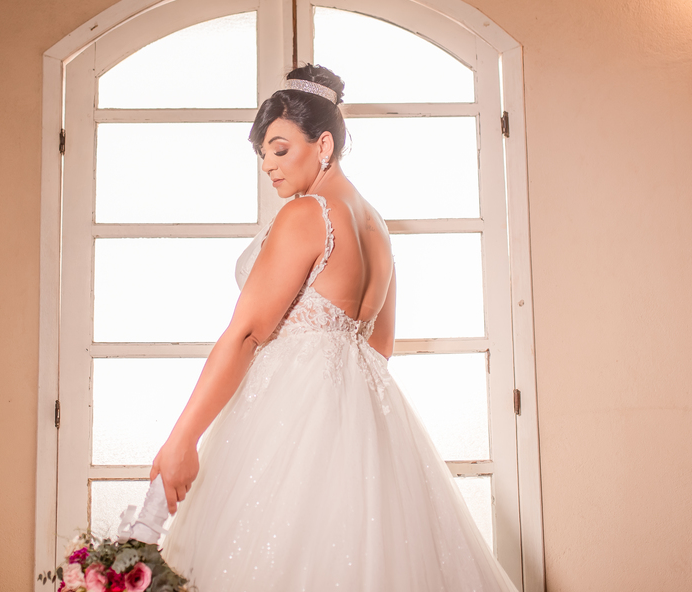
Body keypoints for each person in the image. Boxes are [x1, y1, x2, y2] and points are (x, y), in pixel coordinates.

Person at [151, 65, 519, 592]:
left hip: (287, 416)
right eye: (263, 154)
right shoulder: (375, 224)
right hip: (365, 422)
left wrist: (182, 439)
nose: (267, 165)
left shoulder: (308, 213)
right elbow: (380, 345)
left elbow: (247, 334)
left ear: (323, 144)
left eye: (280, 149)